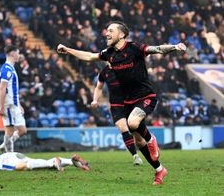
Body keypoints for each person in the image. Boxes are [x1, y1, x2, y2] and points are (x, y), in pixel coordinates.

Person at [57, 21, 187, 185]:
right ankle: (160, 170)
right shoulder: (109, 53)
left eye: (111, 30)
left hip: (145, 96)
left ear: (122, 34)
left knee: (133, 123)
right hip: (127, 102)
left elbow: (157, 49)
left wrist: (175, 47)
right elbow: (89, 56)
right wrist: (68, 50)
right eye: (106, 30)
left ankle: (151, 139)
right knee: (139, 141)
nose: (107, 33)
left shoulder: (135, 48)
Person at [91, 65, 143, 165]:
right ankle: (135, 156)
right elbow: (98, 87)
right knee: (123, 128)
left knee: (138, 138)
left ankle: (149, 144)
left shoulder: (125, 66)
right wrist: (95, 100)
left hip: (130, 104)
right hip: (116, 106)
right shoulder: (104, 72)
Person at [0, 45, 27, 153]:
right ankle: (9, 157)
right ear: (13, 53)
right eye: (18, 53)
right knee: (9, 131)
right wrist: (2, 106)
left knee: (22, 130)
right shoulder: (6, 69)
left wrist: (19, 104)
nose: (19, 55)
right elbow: (2, 88)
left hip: (14, 103)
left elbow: (11, 89)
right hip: (9, 105)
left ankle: (4, 146)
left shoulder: (11, 68)